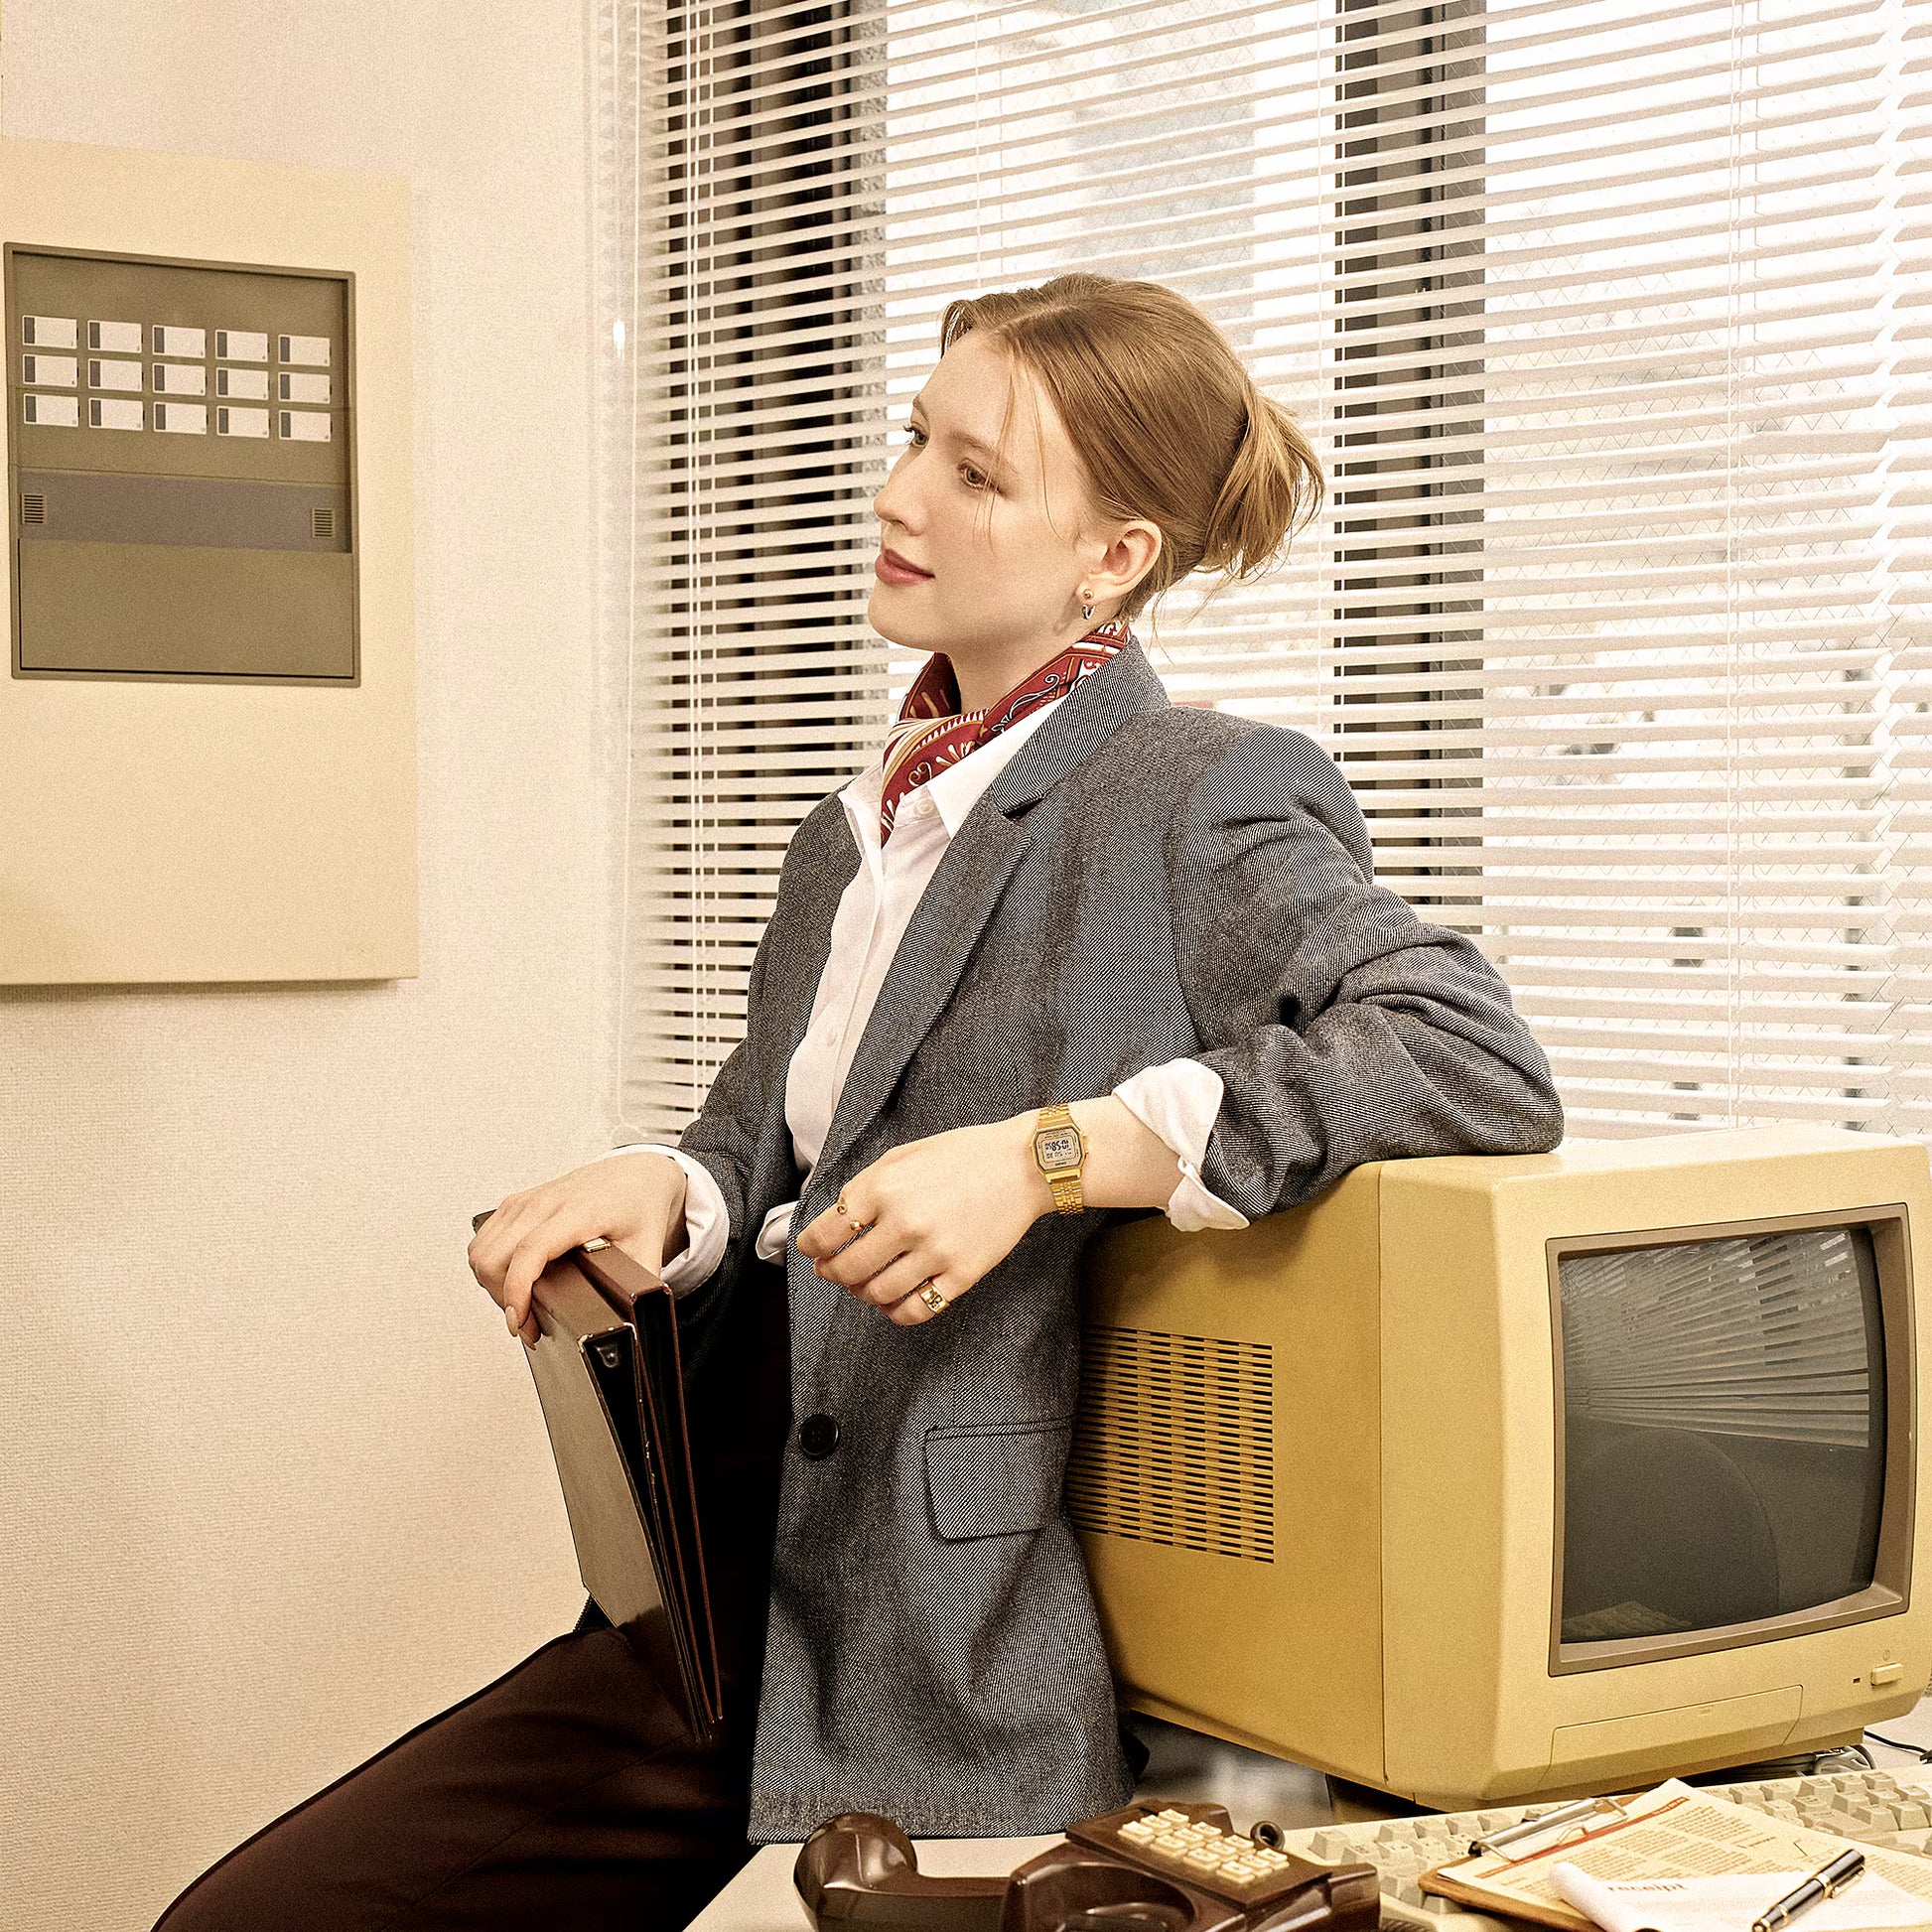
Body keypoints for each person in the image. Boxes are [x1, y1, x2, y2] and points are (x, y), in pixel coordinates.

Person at [156, 273, 1563, 1931]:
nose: (897, 494)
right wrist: (662, 1185)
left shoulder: (1193, 795)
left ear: (1111, 558)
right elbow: (771, 1133)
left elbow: (1468, 1049)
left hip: (949, 1646)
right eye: (915, 438)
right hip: (727, 1602)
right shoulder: (860, 827)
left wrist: (1052, 1155)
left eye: (974, 474)